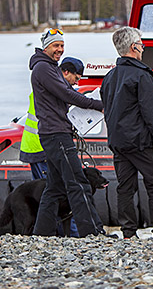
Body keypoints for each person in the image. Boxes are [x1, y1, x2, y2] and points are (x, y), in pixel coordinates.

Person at [101, 27, 153, 239]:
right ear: (133, 47)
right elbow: (152, 112)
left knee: (125, 188)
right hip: (141, 143)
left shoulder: (109, 77)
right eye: (141, 44)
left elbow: (107, 110)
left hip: (118, 143)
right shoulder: (141, 75)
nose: (143, 47)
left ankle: (128, 232)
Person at [29, 28, 109, 237]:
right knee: (78, 182)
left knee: (54, 187)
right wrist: (99, 104)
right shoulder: (43, 69)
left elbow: (64, 95)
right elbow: (66, 94)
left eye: (62, 46)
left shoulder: (49, 68)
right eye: (56, 45)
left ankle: (41, 234)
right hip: (56, 134)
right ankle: (92, 232)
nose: (60, 50)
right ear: (46, 46)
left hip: (52, 133)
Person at [18, 58, 84, 181]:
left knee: (43, 190)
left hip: (35, 145)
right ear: (66, 72)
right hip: (42, 146)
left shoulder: (46, 87)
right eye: (76, 79)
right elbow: (72, 97)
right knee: (49, 187)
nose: (76, 83)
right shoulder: (56, 91)